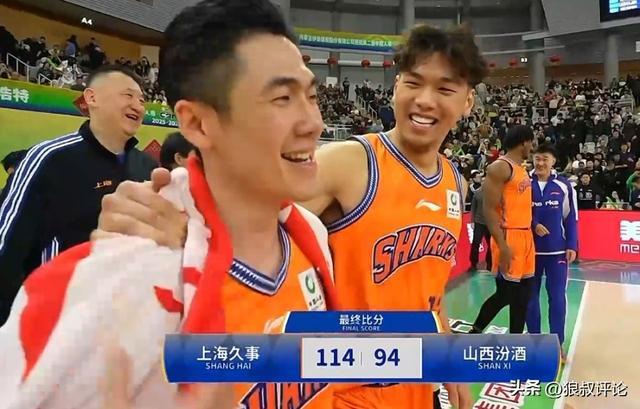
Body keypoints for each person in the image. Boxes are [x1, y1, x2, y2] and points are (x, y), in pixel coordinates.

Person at [94, 23, 486, 409]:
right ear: (396, 86)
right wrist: (172, 219)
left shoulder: (455, 181)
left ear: (468, 102)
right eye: (413, 83)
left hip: (415, 382)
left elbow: (430, 293)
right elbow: (242, 219)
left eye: (445, 89)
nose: (424, 100)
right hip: (344, 390)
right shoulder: (350, 162)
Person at [0, 1, 336, 408]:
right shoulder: (124, 287)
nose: (314, 123)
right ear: (196, 123)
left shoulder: (311, 236)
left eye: (312, 96)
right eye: (282, 98)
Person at [0, 65, 156, 326]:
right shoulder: (50, 159)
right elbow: (7, 245)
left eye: (142, 100)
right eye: (128, 96)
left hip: (123, 324)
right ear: (91, 98)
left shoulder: (147, 167)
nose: (138, 106)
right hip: (56, 322)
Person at [469, 125, 535, 335]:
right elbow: (489, 209)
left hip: (525, 235)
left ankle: (515, 340)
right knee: (505, 294)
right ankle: (475, 332)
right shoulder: (500, 167)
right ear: (524, 142)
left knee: (523, 296)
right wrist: (502, 245)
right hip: (509, 234)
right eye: (531, 143)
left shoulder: (521, 168)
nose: (532, 147)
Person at [525, 144, 578, 363]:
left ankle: (557, 345)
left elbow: (571, 217)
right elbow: (515, 212)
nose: (540, 163)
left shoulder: (564, 186)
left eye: (545, 159)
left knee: (557, 299)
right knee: (530, 299)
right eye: (537, 159)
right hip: (529, 251)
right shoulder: (523, 183)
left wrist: (572, 245)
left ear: (553, 161)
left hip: (557, 252)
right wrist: (534, 224)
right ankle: (535, 343)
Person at [469, 174, 492, 272]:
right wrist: (472, 221)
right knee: (475, 244)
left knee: (492, 245)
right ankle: (473, 264)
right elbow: (473, 208)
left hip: (491, 224)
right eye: (483, 181)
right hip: (479, 223)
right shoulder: (477, 194)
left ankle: (489, 264)